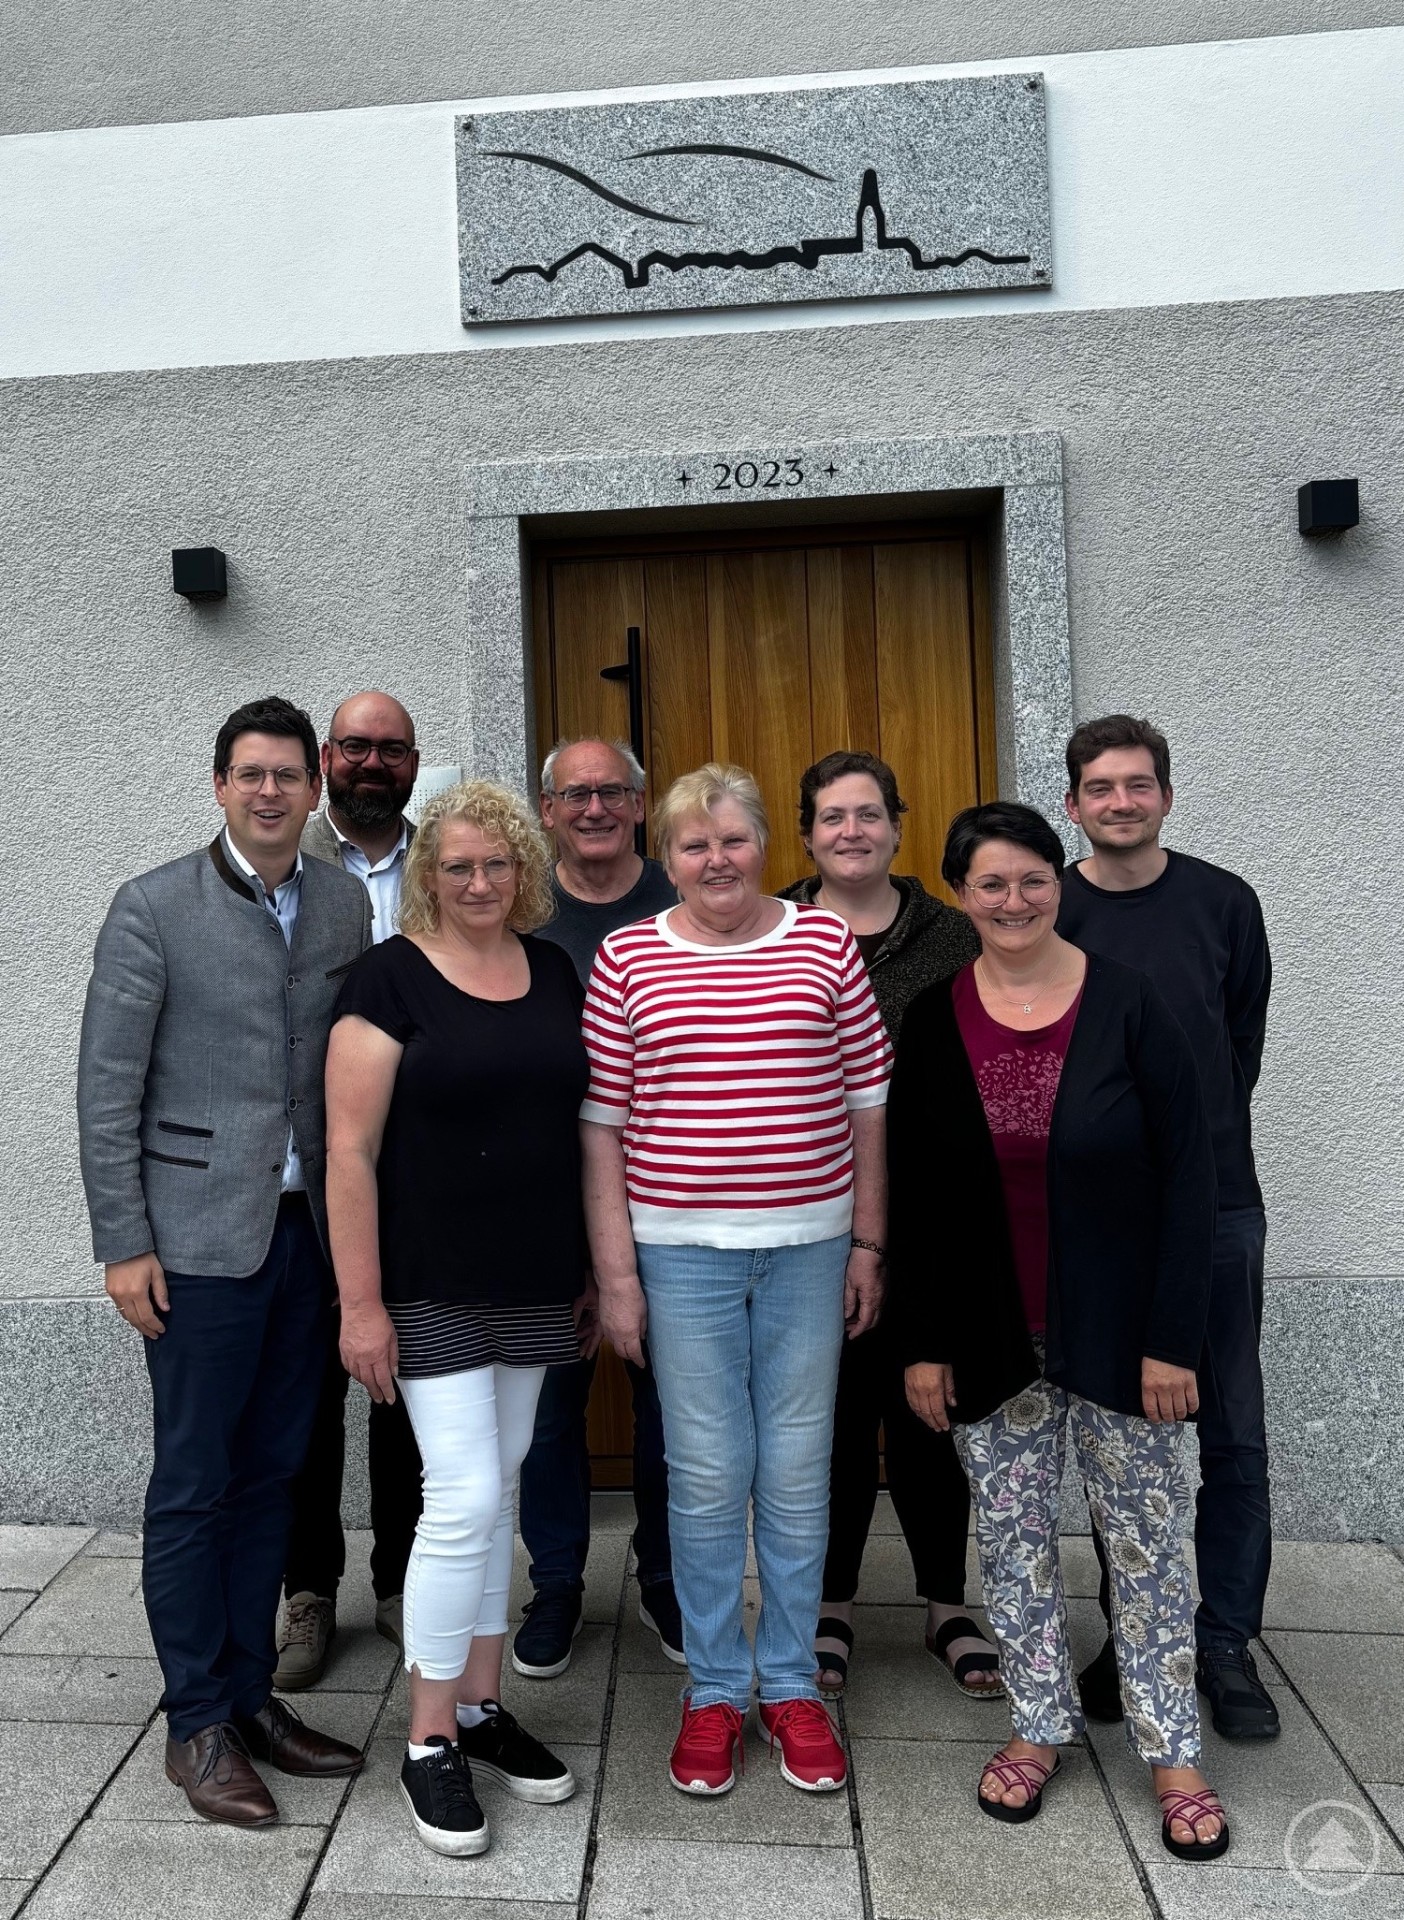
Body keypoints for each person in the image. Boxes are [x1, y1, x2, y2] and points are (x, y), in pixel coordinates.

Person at [889, 800, 1231, 1861]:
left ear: (1059, 883)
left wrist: (1174, 1338)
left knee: (1148, 1546)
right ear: (960, 895)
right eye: (990, 883)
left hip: (1126, 1340)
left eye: (1033, 878)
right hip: (991, 1337)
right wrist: (923, 1342)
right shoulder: (935, 1019)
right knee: (1014, 1543)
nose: (1014, 900)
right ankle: (1038, 1725)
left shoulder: (1129, 1004)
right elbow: (919, 1197)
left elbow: (1192, 1179)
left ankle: (1172, 1750)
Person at [76, 695, 371, 1827]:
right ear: (219, 785)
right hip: (196, 1246)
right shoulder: (152, 907)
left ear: (313, 787)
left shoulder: (341, 902)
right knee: (195, 1484)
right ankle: (195, 1720)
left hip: (305, 1239)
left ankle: (250, 1698)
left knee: (275, 1477)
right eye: (250, 773)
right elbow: (108, 1091)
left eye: (288, 774)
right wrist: (124, 1244)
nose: (269, 791)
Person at [581, 763, 891, 1799]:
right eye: (694, 844)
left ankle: (790, 1683)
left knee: (799, 1472)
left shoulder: (825, 944)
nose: (717, 859)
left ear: (765, 845)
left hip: (810, 1250)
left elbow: (869, 1105)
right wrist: (617, 1276)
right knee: (707, 1476)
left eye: (734, 839)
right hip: (679, 1258)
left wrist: (867, 1245)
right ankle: (715, 1688)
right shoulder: (627, 957)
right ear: (666, 858)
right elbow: (602, 1129)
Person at [325, 780, 586, 1857]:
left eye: (498, 864)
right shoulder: (386, 977)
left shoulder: (554, 969)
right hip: (427, 1278)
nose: (480, 882)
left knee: (502, 1487)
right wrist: (360, 1305)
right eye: (458, 866)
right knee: (465, 1494)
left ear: (523, 869)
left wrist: (588, 1269)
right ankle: (428, 1736)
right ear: (428, 875)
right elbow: (348, 1152)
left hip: (535, 1274)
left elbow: (576, 1122)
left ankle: (480, 1708)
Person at [1058, 715, 1276, 1741]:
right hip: (1105, 1225)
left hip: (1219, 1203)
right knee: (1122, 1445)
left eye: (1137, 785)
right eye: (1101, 788)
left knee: (1231, 1435)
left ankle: (1224, 1644)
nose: (1120, 802)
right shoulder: (1051, 906)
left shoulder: (1225, 903)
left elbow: (1239, 1047)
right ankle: (1135, 1635)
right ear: (1073, 805)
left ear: (1167, 798)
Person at [777, 751, 996, 1699]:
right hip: (808, 1211)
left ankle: (947, 1603)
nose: (852, 832)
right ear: (807, 834)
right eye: (832, 817)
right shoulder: (774, 929)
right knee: (829, 1416)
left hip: (934, 1215)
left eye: (869, 814)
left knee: (930, 1413)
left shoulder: (954, 936)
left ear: (899, 827)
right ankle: (832, 1603)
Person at [514, 736, 681, 1679]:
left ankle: (664, 1577)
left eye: (612, 792)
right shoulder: (520, 910)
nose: (594, 809)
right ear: (547, 811)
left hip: (665, 1202)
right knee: (547, 1414)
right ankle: (556, 1584)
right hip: (545, 1205)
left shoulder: (683, 897)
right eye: (574, 795)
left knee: (670, 1412)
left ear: (641, 803)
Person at [275, 690, 425, 1688]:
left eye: (392, 749)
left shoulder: (443, 859)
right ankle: (309, 1589)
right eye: (356, 747)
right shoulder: (287, 856)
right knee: (306, 1396)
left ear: (414, 762)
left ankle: (404, 1582)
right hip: (306, 1174)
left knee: (406, 1390)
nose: (373, 763)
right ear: (328, 757)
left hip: (416, 1170)